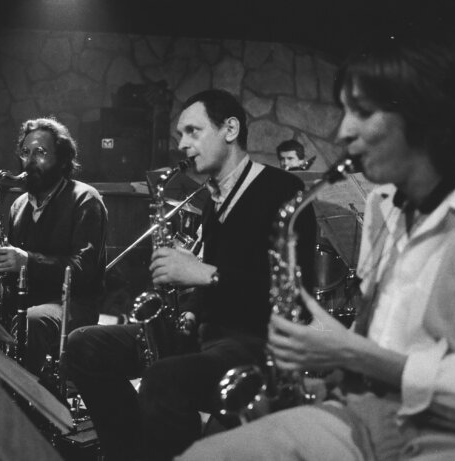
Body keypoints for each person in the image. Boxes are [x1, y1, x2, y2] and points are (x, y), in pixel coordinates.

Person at [177, 37, 455, 461]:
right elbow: (387, 337)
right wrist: (330, 371)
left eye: (362, 112)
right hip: (368, 415)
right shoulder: (382, 203)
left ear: (426, 116)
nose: (342, 132)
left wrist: (354, 354)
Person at [65, 89, 315, 461]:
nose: (182, 144)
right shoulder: (213, 200)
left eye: (193, 132)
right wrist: (191, 311)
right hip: (206, 334)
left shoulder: (284, 189)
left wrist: (204, 273)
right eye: (181, 134)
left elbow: (295, 293)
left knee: (163, 380)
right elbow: (211, 281)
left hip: (256, 340)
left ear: (230, 129)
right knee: (83, 345)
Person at [0, 117, 108, 375]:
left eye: (40, 152)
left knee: (30, 321)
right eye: (25, 152)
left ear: (63, 160)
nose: (30, 160)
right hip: (27, 300)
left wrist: (27, 261)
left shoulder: (85, 198)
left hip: (73, 303)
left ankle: (18, 394)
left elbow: (83, 270)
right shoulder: (19, 205)